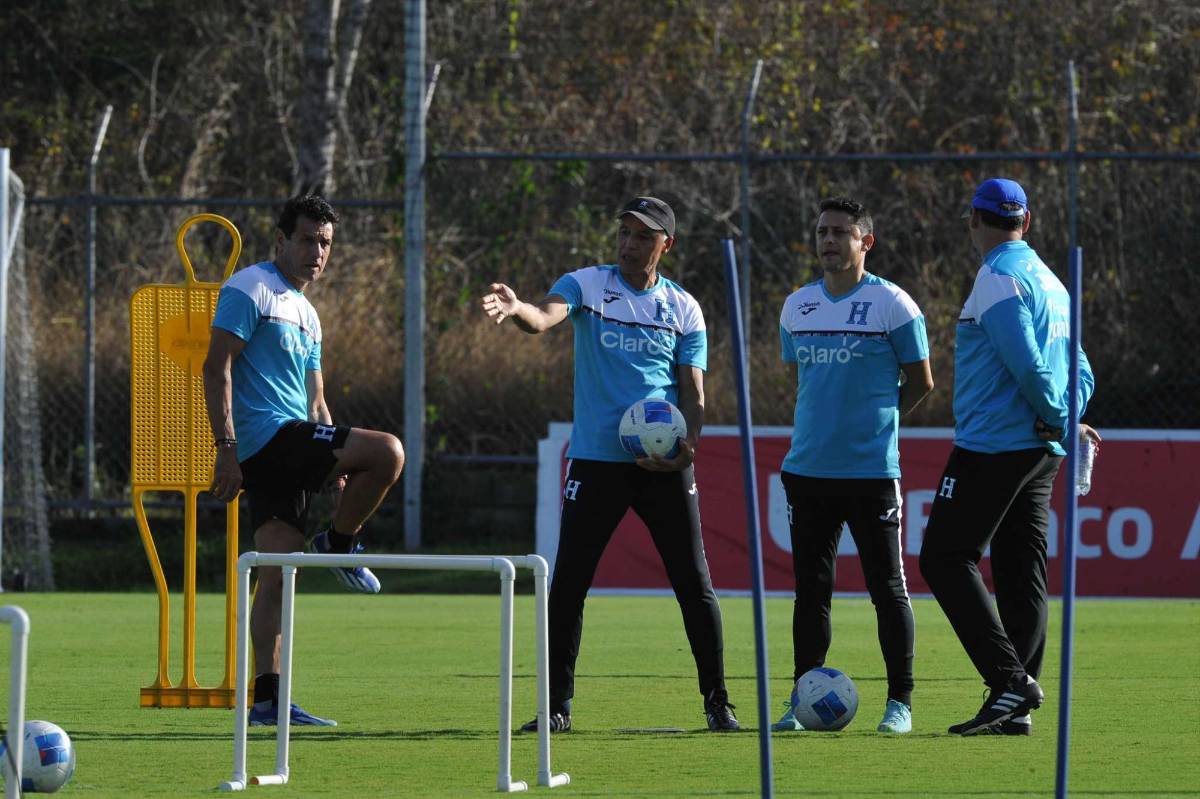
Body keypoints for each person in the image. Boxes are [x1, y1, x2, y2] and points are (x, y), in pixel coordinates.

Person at [480, 196, 738, 733]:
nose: (628, 244)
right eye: (623, 232)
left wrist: (689, 444)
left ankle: (718, 704)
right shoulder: (588, 284)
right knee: (569, 582)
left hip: (662, 464)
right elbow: (544, 317)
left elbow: (693, 391)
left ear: (666, 244)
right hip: (597, 461)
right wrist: (517, 309)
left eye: (643, 236)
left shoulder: (683, 308)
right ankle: (555, 707)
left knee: (694, 583)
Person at [203, 194, 405, 727]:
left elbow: (317, 403)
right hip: (266, 440)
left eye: (326, 243)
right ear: (281, 241)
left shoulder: (309, 314)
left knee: (274, 577)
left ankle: (267, 701)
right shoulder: (251, 287)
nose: (318, 252)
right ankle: (339, 544)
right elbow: (216, 365)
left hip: (291, 444)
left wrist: (337, 468)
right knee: (388, 451)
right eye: (309, 240)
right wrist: (225, 449)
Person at [919, 178, 1099, 736]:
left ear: (974, 218)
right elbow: (1084, 371)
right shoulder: (1051, 280)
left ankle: (1009, 681)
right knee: (1022, 574)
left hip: (995, 445)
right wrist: (1065, 416)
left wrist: (1051, 411)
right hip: (1041, 452)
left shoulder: (998, 277)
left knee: (945, 558)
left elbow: (1025, 361)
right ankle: (1013, 710)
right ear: (1028, 220)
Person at [770, 198, 934, 735]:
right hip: (808, 472)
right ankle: (801, 698)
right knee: (810, 592)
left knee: (888, 589)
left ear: (867, 241)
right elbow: (801, 374)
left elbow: (922, 380)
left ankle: (901, 703)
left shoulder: (894, 305)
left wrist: (876, 426)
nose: (829, 240)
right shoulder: (797, 306)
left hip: (871, 474)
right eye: (822, 231)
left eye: (841, 232)